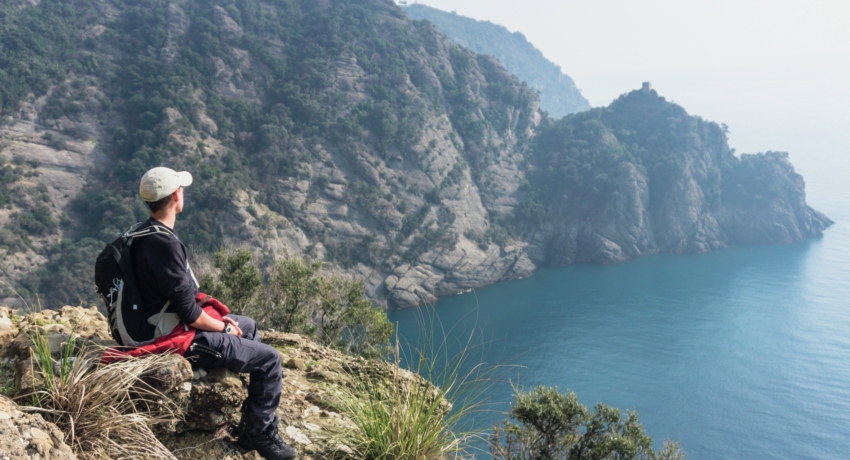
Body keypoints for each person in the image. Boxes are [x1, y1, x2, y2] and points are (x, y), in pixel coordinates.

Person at [133, 166, 297, 460]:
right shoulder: (164, 244)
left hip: (153, 325)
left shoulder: (141, 235)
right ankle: (259, 434)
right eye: (181, 189)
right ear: (175, 195)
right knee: (270, 359)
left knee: (247, 325)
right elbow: (189, 314)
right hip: (173, 337)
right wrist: (222, 328)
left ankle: (253, 421)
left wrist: (225, 325)